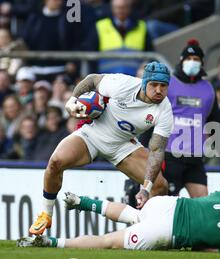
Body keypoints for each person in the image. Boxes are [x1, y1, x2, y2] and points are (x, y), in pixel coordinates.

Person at [29, 61, 174, 236]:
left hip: (123, 146)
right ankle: (46, 213)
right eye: (154, 85)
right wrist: (72, 100)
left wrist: (146, 188)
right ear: (144, 83)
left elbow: (157, 150)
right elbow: (92, 80)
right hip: (92, 134)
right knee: (55, 162)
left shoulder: (164, 110)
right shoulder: (123, 84)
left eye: (163, 86)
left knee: (159, 185)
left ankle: (157, 232)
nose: (159, 90)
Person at [18, 190, 220, 253]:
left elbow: (206, 200)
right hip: (168, 231)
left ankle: (84, 202)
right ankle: (49, 242)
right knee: (108, 242)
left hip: (168, 203)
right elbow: (209, 249)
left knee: (135, 214)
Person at [163, 39, 220, 197]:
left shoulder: (208, 89)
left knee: (203, 202)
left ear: (202, 63)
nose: (192, 62)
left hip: (195, 158)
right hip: (170, 156)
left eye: (196, 59)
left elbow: (215, 124)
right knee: (167, 204)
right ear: (181, 60)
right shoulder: (168, 85)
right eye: (189, 59)